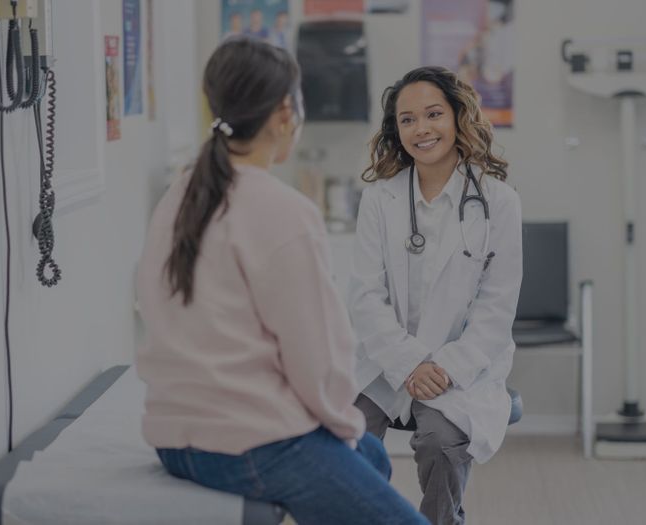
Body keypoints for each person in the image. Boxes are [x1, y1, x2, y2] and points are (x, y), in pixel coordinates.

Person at [136, 37, 429, 525]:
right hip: (248, 443)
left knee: (373, 459)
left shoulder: (181, 193)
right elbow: (317, 358)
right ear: (285, 113)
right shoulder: (282, 210)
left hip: (173, 436)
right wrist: (342, 425)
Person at [349, 66, 523, 525]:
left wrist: (442, 369)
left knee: (439, 444)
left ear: (458, 116)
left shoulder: (498, 202)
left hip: (461, 365)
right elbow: (366, 297)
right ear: (396, 130)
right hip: (386, 359)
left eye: (432, 114)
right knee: (346, 436)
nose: (421, 129)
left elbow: (496, 309)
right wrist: (408, 363)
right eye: (407, 120)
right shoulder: (379, 200)